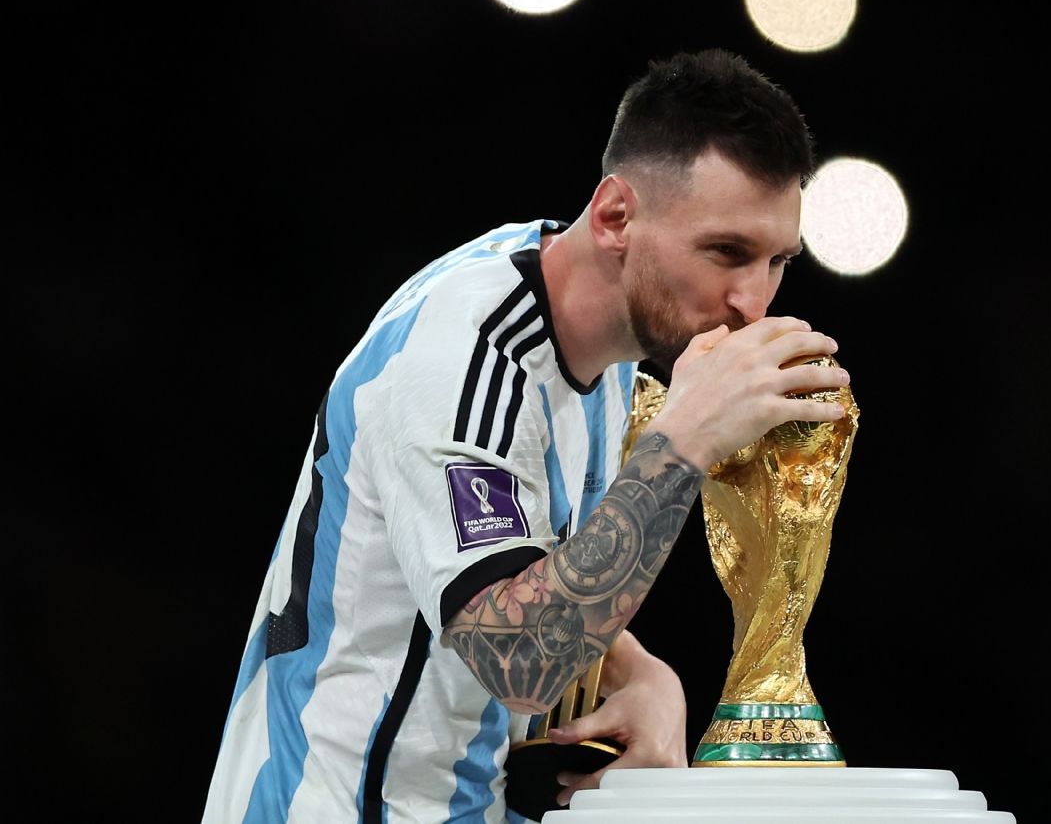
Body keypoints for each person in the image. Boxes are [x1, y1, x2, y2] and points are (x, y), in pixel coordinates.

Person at [202, 48, 850, 823]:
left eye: (777, 260)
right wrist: (682, 444)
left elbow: (510, 572)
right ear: (615, 218)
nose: (754, 300)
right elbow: (518, 658)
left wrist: (641, 672)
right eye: (727, 252)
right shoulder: (459, 361)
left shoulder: (604, 338)